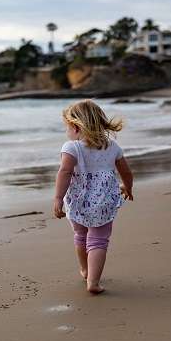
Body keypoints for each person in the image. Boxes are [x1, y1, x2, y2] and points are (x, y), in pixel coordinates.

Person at [53, 99, 134, 294]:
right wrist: (127, 187)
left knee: (81, 235)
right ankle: (94, 282)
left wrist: (57, 198)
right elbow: (126, 172)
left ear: (75, 126)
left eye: (67, 127)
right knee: (98, 240)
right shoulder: (112, 146)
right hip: (103, 202)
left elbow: (64, 172)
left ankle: (85, 270)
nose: (67, 131)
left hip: (78, 202)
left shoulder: (72, 147)